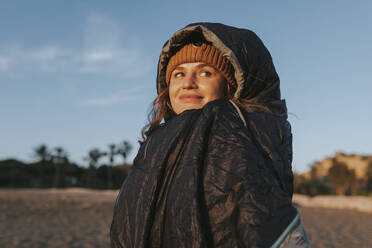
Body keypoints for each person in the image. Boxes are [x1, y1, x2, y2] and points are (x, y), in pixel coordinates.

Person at [110, 22, 310, 248]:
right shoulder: (157, 143)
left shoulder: (232, 134)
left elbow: (263, 218)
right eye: (178, 74)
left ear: (229, 85)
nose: (188, 83)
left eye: (205, 72)